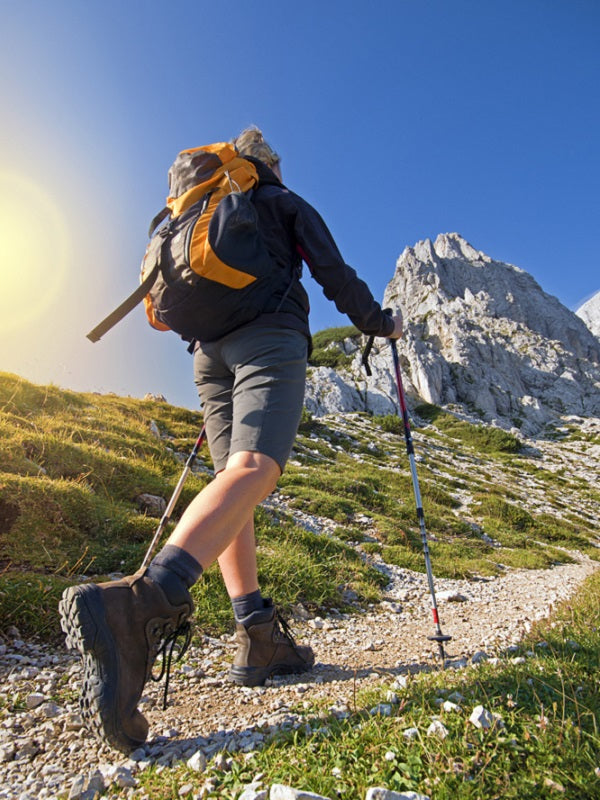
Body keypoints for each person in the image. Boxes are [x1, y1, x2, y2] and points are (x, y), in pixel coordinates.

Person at [59, 126, 403, 753]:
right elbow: (334, 272)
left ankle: (255, 634)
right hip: (268, 334)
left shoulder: (190, 214)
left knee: (232, 482)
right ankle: (142, 603)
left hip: (206, 354)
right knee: (257, 469)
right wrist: (382, 324)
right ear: (265, 162)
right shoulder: (274, 197)